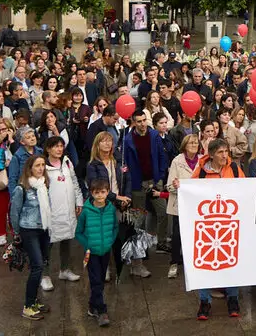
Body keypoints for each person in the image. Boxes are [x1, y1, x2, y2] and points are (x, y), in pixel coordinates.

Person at [191, 139, 244, 320]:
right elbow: (190, 192)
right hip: (208, 228)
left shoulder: (235, 169)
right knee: (205, 264)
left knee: (232, 262)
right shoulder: (201, 173)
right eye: (220, 152)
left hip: (230, 226)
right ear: (211, 154)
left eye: (226, 152)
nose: (224, 156)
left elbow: (247, 189)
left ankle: (233, 299)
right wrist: (179, 187)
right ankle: (204, 302)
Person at [119, 109, 164, 278]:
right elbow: (124, 163)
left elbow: (161, 157)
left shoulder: (154, 136)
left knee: (162, 211)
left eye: (144, 120)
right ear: (133, 122)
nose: (142, 124)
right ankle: (137, 264)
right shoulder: (128, 139)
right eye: (139, 121)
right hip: (137, 185)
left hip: (154, 182)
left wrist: (159, 178)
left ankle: (149, 243)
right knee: (138, 223)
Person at [11, 154, 53, 320]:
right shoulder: (21, 188)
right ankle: (28, 306)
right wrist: (16, 233)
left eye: (43, 165)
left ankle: (34, 301)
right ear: (30, 168)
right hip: (28, 230)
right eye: (37, 165)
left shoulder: (43, 185)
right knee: (36, 266)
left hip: (43, 229)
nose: (41, 168)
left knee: (40, 264)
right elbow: (14, 213)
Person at [40, 135, 83, 291]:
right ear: (48, 149)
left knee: (66, 239)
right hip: (52, 210)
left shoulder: (67, 162)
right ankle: (44, 275)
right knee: (48, 244)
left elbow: (74, 181)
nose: (59, 149)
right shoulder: (43, 166)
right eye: (55, 146)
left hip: (68, 207)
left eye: (61, 146)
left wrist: (79, 201)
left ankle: (65, 270)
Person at [74, 178, 117, 327]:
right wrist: (88, 245)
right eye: (96, 192)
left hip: (105, 251)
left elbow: (115, 228)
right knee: (96, 281)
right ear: (91, 193)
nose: (100, 195)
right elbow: (78, 232)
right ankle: (102, 310)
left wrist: (110, 241)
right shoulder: (86, 211)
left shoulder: (111, 209)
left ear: (107, 192)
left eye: (103, 192)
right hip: (91, 253)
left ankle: (92, 305)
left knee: (99, 281)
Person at [165, 133, 201, 280]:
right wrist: (178, 186)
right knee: (177, 235)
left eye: (196, 143)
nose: (194, 145)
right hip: (179, 205)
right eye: (191, 143)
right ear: (185, 145)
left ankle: (192, 263)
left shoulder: (202, 161)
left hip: (197, 205)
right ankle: (174, 263)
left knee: (195, 235)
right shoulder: (177, 161)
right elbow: (169, 186)